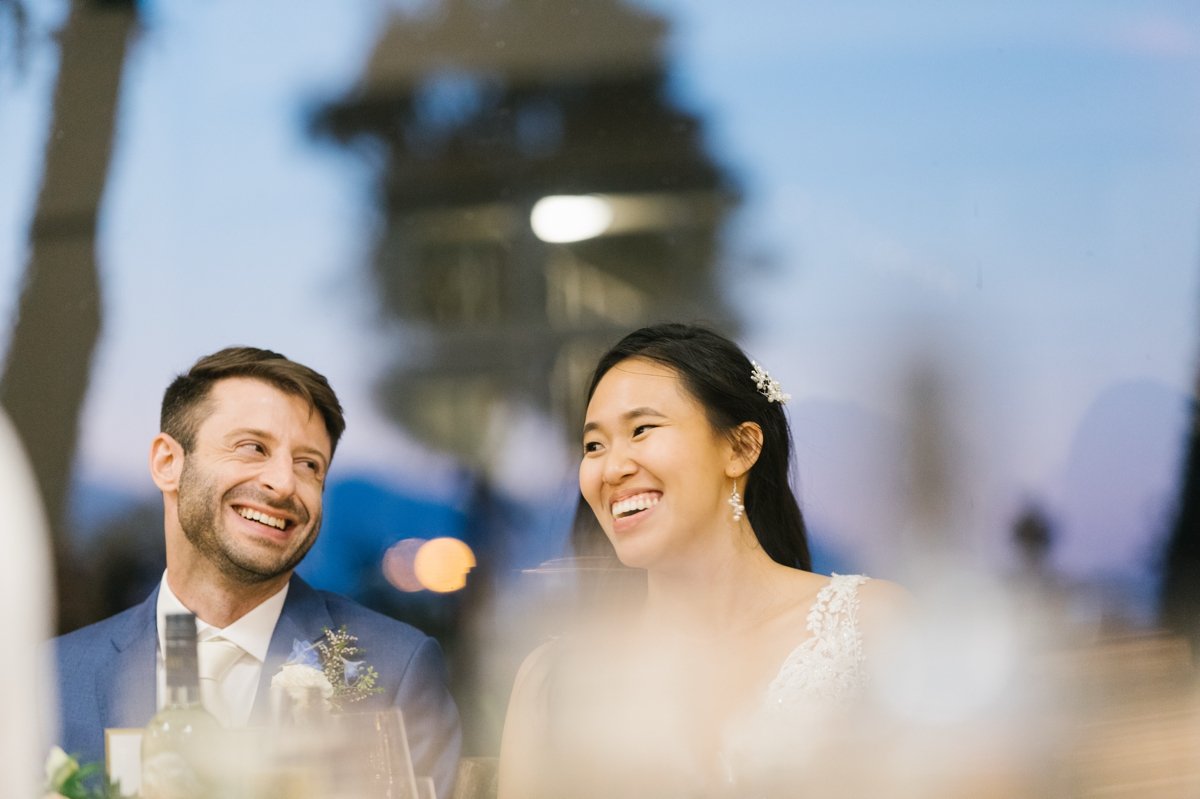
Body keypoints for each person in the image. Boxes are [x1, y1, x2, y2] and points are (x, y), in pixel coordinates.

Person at [499, 323, 909, 798]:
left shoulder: (872, 627)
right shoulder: (553, 680)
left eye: (641, 429)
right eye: (594, 446)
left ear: (740, 448)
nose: (612, 468)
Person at [50, 347, 462, 798]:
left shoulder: (396, 670)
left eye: (309, 465)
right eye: (253, 448)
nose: (283, 484)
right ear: (168, 463)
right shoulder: (50, 678)